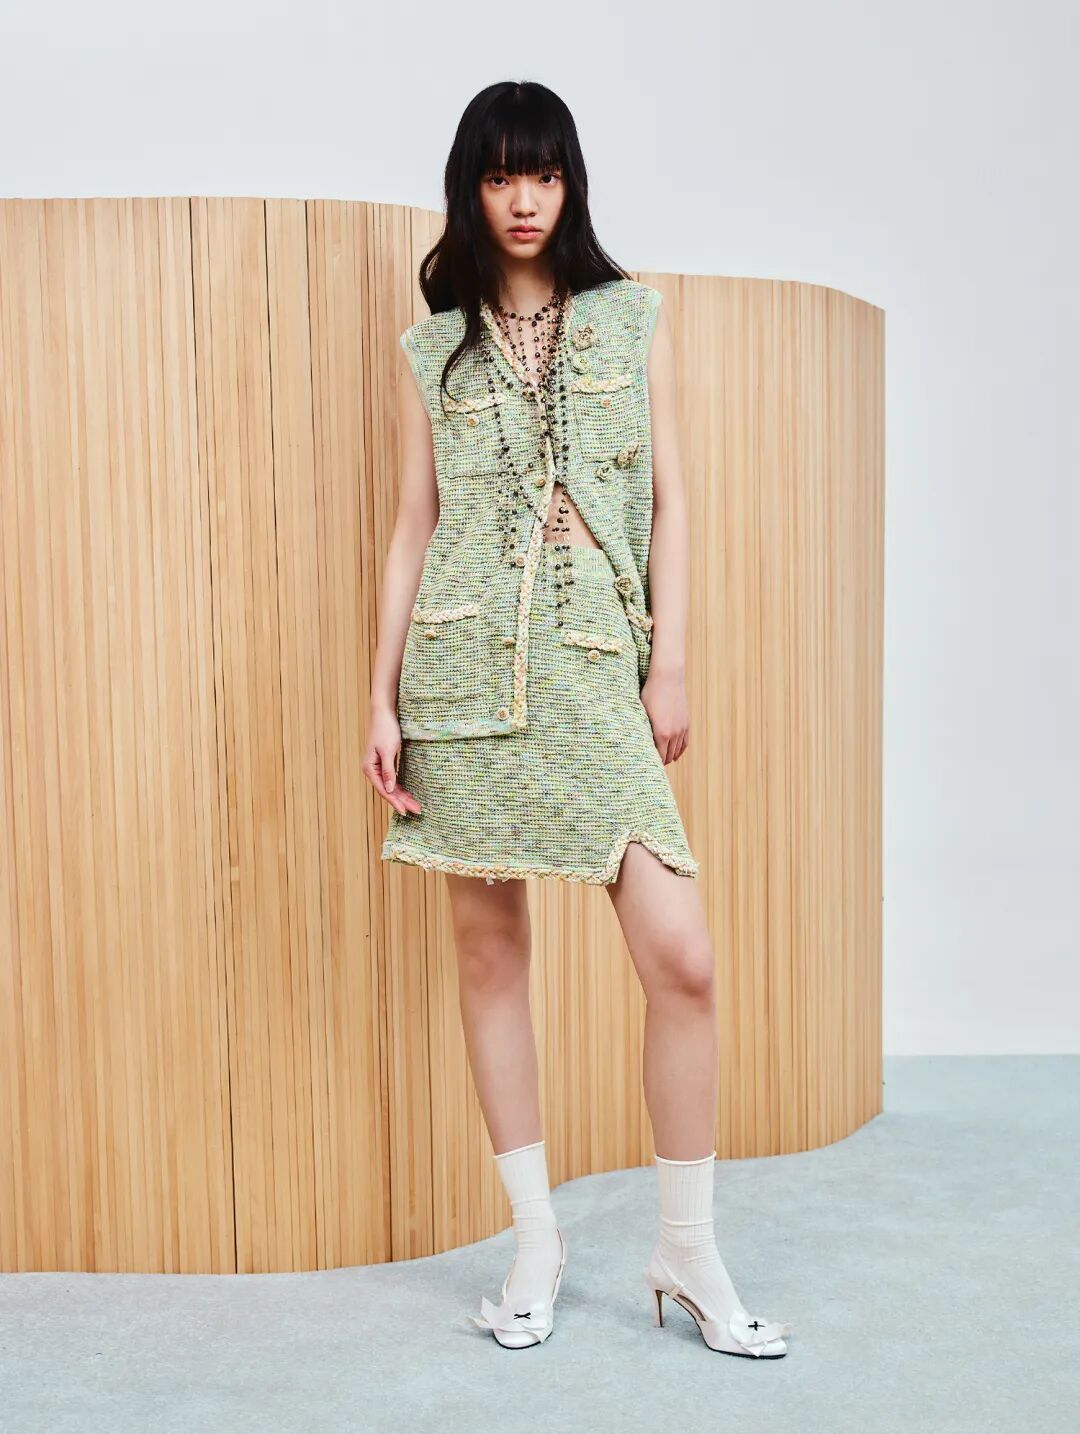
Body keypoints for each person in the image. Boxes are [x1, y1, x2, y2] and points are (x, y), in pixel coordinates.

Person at [363, 80, 792, 1358]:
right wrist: (378, 694)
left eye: (543, 172)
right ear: (472, 188)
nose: (524, 198)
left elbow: (671, 501)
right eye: (501, 175)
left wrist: (673, 667)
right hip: (463, 675)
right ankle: (535, 1243)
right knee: (490, 955)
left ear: (570, 183)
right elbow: (414, 524)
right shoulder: (431, 349)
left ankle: (687, 1249)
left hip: (596, 662)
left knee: (684, 959)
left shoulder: (629, 317)